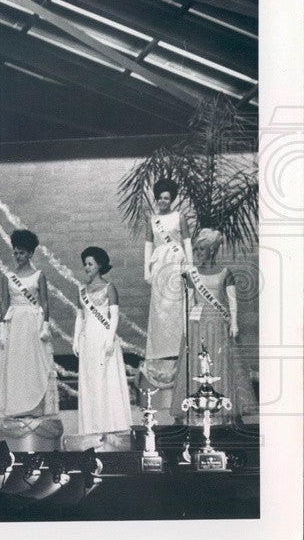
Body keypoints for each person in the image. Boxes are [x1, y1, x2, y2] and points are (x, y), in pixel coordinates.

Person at [170, 229, 257, 423]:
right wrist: (186, 327)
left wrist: (234, 323)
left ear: (211, 250)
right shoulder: (191, 274)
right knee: (198, 363)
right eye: (196, 249)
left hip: (218, 323)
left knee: (220, 363)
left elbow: (232, 300)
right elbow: (188, 302)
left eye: (202, 249)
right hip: (197, 324)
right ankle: (195, 410)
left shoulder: (225, 273)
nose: (198, 252)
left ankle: (222, 411)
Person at [0, 230, 58, 420]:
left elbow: (45, 302)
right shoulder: (8, 276)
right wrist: (2, 329)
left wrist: (45, 325)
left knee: (32, 364)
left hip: (32, 323)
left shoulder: (39, 275)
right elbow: (4, 303)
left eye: (21, 253)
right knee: (16, 364)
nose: (18, 256)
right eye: (15, 252)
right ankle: (16, 406)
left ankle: (34, 406)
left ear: (30, 253)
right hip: (15, 323)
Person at [73, 247, 132, 439]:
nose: (86, 267)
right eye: (85, 264)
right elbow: (79, 317)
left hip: (104, 338)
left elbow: (114, 317)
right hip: (88, 339)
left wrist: (109, 339)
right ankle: (91, 427)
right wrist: (75, 340)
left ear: (99, 265)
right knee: (90, 382)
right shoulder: (82, 290)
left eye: (90, 264)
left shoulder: (109, 288)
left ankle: (111, 427)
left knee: (106, 380)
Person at [144, 177, 193, 360]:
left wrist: (189, 266)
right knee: (160, 308)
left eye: (166, 198)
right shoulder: (152, 220)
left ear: (171, 199)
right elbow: (148, 244)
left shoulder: (179, 217)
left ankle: (178, 349)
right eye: (160, 198)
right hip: (159, 264)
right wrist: (147, 271)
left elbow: (187, 242)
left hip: (176, 263)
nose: (163, 201)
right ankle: (160, 351)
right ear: (156, 199)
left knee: (176, 304)